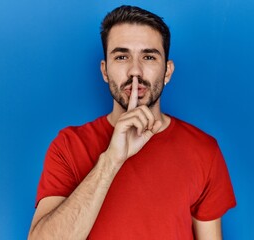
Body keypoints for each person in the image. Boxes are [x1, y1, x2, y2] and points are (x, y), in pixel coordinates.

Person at [28, 5, 236, 240]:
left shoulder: (204, 150)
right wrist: (111, 162)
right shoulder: (68, 146)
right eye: (122, 56)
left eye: (148, 57)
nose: (135, 71)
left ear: (167, 72)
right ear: (105, 71)